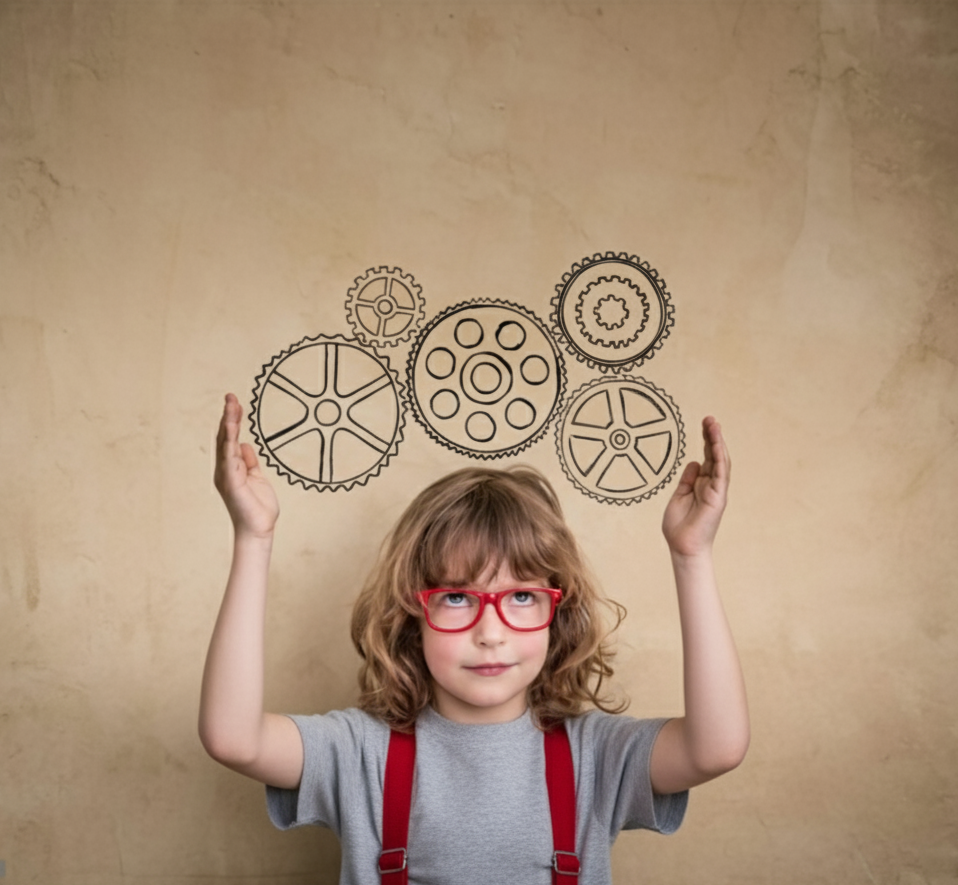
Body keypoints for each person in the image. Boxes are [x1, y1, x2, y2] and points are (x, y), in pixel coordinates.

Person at [199, 392, 749, 885]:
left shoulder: (597, 756)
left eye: (522, 598)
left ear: (559, 614)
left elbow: (716, 747)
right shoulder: (359, 751)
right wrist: (253, 538)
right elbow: (233, 738)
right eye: (457, 598)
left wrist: (691, 555)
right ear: (410, 611)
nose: (491, 634)